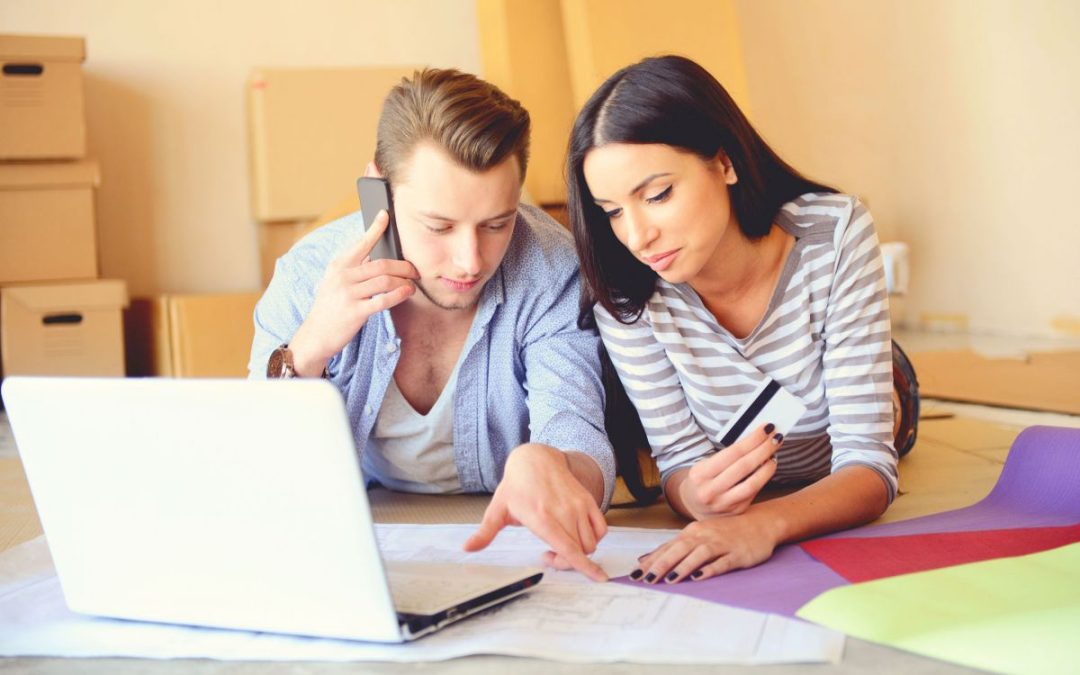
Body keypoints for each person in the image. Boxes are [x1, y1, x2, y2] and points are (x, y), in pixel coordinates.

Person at [249, 68, 615, 581]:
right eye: (439, 226)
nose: (469, 261)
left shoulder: (551, 269)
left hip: (510, 542)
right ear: (377, 191)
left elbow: (576, 428)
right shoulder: (308, 274)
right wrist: (306, 353)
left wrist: (553, 465)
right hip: (368, 540)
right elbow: (255, 469)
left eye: (497, 224)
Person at [566, 55, 918, 584]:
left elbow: (868, 463)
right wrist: (694, 496)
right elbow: (679, 461)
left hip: (875, 393)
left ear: (724, 162)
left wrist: (763, 525)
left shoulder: (835, 231)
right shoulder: (624, 291)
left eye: (657, 195)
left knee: (884, 388)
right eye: (613, 211)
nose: (637, 237)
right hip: (758, 430)